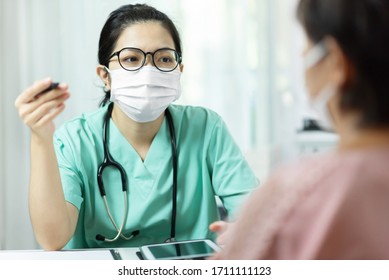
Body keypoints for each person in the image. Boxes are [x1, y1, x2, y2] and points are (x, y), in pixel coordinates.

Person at [14, 4, 259, 250]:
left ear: (179, 71)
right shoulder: (76, 139)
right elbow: (52, 239)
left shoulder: (206, 128)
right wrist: (40, 137)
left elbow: (255, 214)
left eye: (164, 58)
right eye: (132, 59)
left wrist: (241, 233)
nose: (149, 71)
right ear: (105, 76)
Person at [212, 0, 389, 259]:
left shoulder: (293, 195)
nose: (302, 58)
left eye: (306, 45)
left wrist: (254, 233)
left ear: (336, 63)